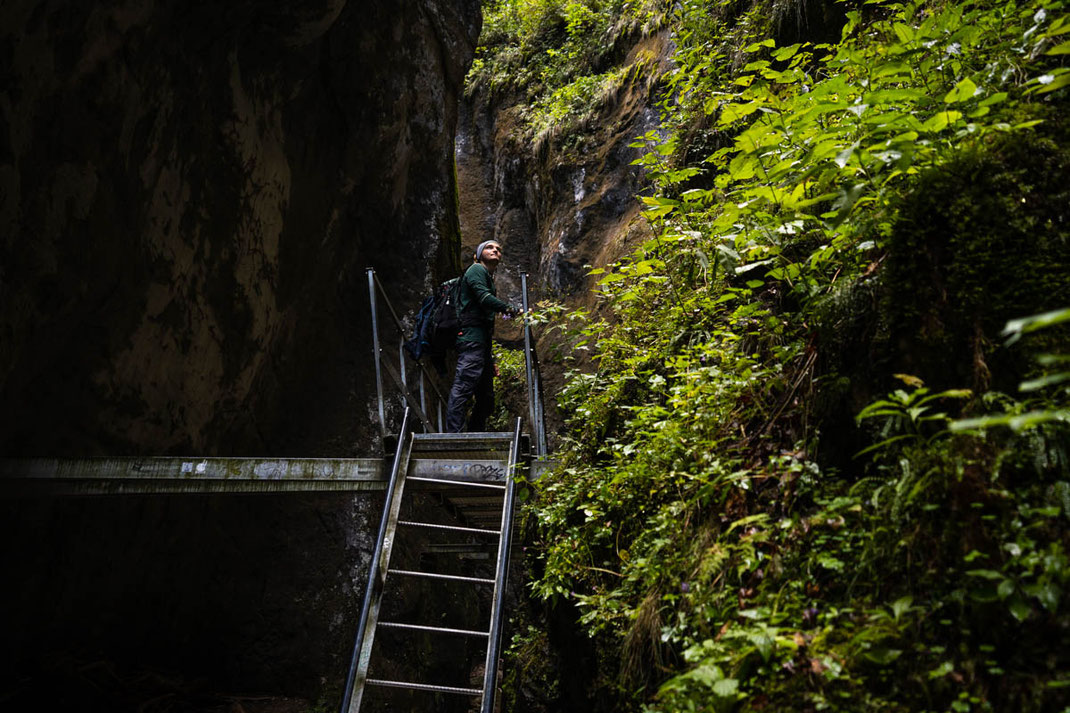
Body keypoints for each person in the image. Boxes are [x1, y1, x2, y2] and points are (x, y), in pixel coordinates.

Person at [445, 240, 518, 432]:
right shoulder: (476, 269)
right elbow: (484, 298)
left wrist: (490, 359)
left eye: (498, 249)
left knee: (486, 397)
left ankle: (475, 433)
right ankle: (455, 436)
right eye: (489, 247)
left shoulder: (486, 275)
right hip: (471, 340)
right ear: (478, 254)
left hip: (481, 344)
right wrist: (512, 310)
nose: (495, 250)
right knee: (463, 387)